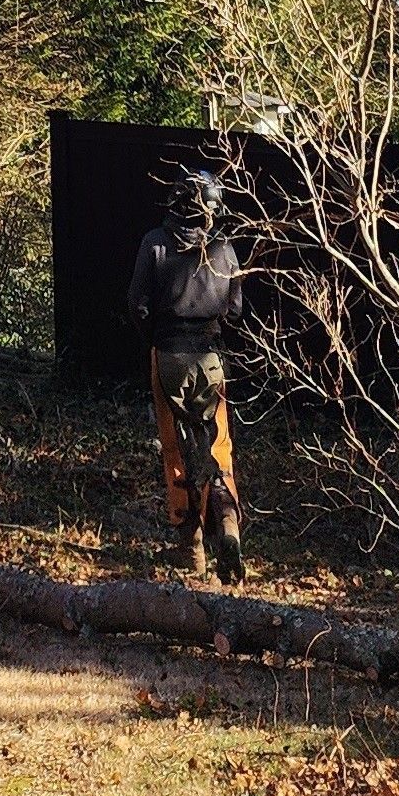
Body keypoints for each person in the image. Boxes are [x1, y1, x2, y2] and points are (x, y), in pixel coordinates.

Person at [128, 162, 245, 583]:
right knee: (219, 446)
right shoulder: (225, 249)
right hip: (212, 358)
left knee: (175, 450)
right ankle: (229, 528)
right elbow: (235, 310)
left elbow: (137, 305)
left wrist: (157, 339)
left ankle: (192, 548)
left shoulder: (154, 243)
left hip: (168, 355)